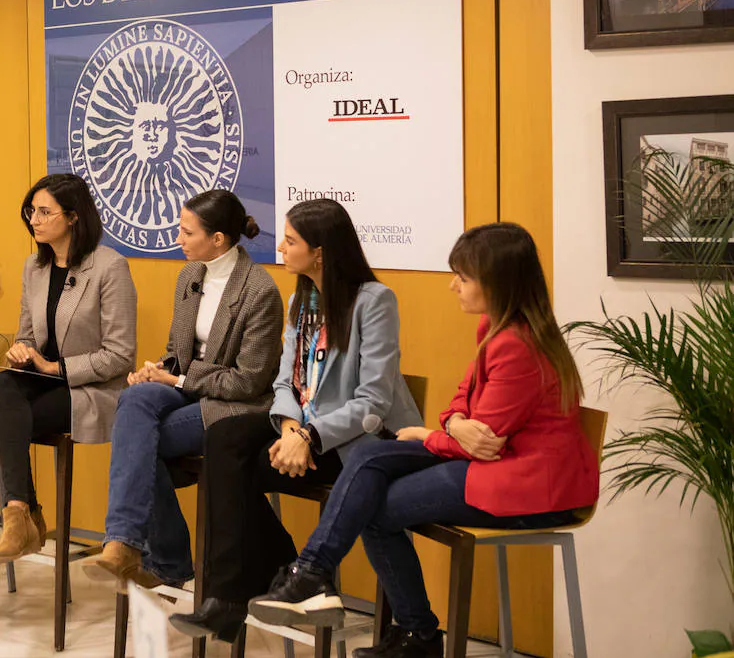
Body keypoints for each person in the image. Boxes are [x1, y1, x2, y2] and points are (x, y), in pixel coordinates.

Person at [249, 222, 600, 658]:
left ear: (499, 282)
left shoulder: (518, 347)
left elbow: (482, 441)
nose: (454, 285)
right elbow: (461, 405)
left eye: (464, 277)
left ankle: (403, 626)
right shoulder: (497, 329)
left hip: (529, 484)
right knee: (372, 458)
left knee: (373, 504)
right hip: (494, 463)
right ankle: (321, 579)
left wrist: (438, 434)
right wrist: (451, 426)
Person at [170, 198, 421, 641]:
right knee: (225, 438)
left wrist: (309, 434)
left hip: (359, 446)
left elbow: (373, 401)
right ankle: (233, 595)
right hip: (302, 434)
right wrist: (290, 428)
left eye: (290, 241)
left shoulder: (374, 301)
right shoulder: (301, 299)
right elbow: (285, 382)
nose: (280, 249)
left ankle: (294, 574)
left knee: (237, 463)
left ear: (320, 252)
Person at [84, 190, 283, 590]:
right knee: (135, 399)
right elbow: (179, 353)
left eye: (186, 232)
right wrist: (156, 369)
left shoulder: (260, 291)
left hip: (235, 405)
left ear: (219, 239)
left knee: (140, 439)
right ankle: (129, 544)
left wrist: (178, 380)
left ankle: (158, 556)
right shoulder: (190, 276)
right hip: (188, 386)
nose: (178, 238)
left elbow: (249, 380)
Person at [0, 173, 137, 563]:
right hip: (41, 381)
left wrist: (55, 367)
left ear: (72, 217)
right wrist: (22, 352)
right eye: (31, 211)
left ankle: (25, 517)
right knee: (5, 383)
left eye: (44, 212)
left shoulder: (109, 267)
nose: (33, 219)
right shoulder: (33, 268)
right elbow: (27, 336)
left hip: (91, 390)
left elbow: (119, 355)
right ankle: (20, 513)